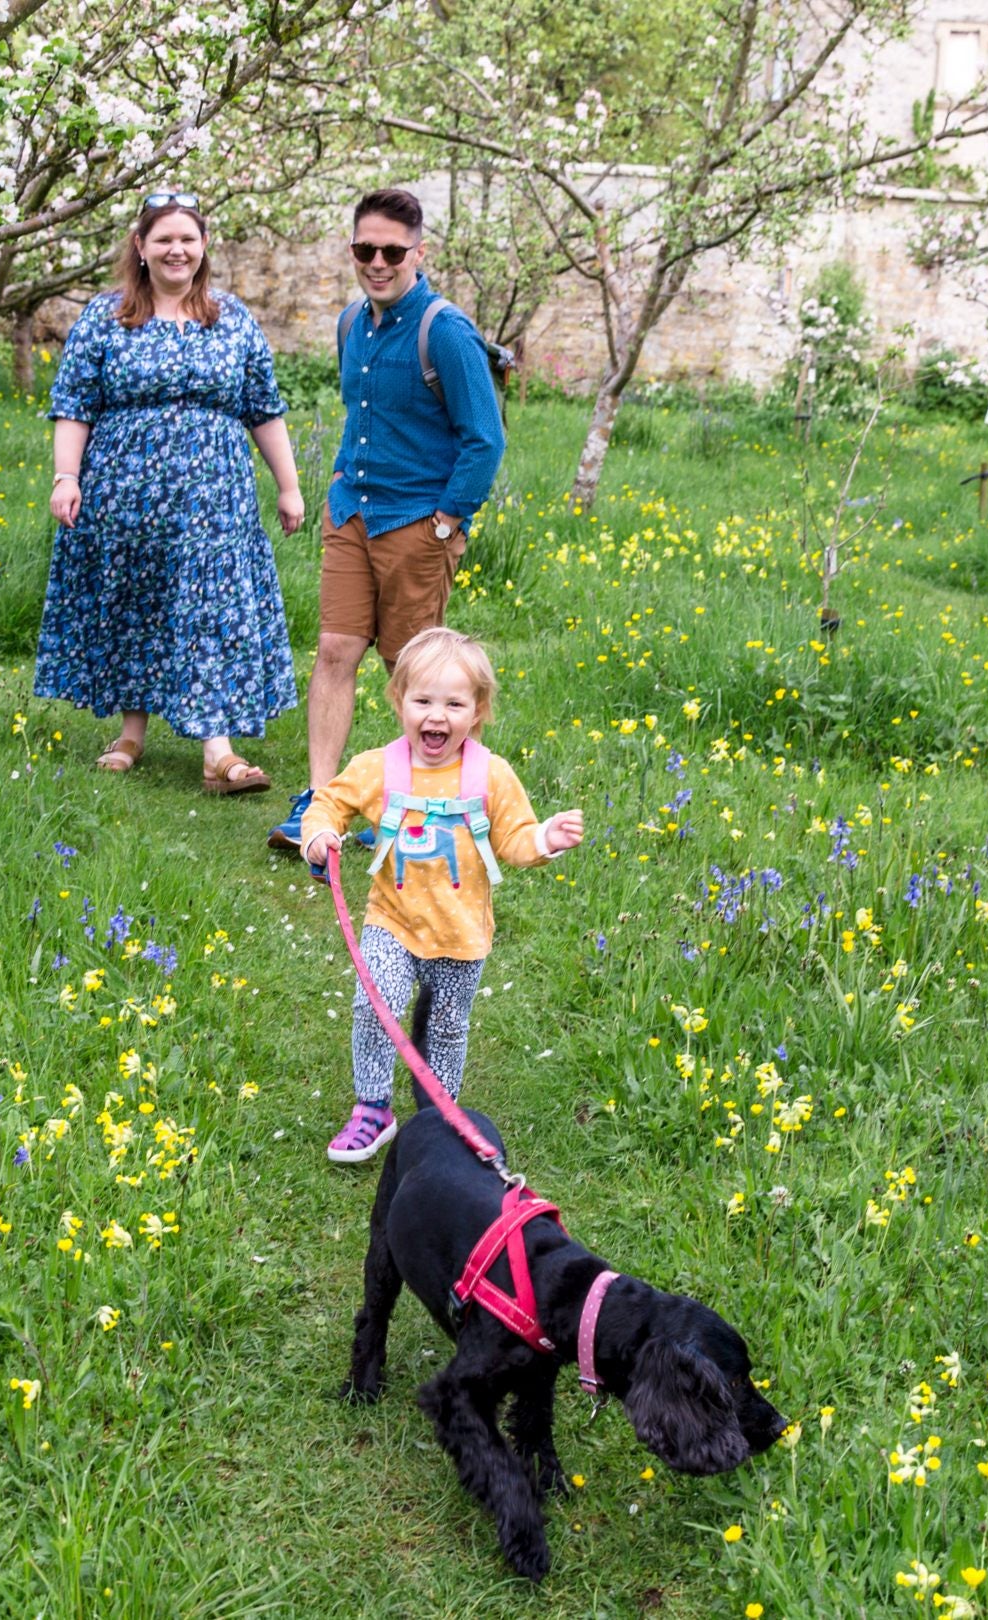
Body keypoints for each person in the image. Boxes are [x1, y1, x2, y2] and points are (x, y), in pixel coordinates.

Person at [268, 187, 507, 864]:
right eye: (364, 249)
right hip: (352, 514)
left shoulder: (446, 331)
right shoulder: (352, 324)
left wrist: (447, 521)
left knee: (416, 675)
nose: (377, 262)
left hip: (417, 523)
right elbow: (361, 417)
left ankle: (421, 806)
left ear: (418, 253)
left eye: (392, 251)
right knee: (335, 653)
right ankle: (324, 803)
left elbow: (483, 440)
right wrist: (339, 484)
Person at [39, 192, 306, 794]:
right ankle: (131, 734)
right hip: (125, 494)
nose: (176, 249)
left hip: (216, 499)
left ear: (203, 246)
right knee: (139, 603)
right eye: (163, 239)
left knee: (208, 607)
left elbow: (262, 408)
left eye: (187, 238)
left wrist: (288, 487)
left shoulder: (231, 317)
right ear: (140, 247)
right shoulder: (105, 318)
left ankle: (218, 751)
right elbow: (74, 405)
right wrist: (67, 476)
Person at [300, 628, 583, 1164]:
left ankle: (439, 1115)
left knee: (448, 1027)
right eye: (423, 701)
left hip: (461, 932)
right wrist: (319, 833)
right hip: (393, 920)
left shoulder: (490, 776)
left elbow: (516, 839)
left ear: (477, 711)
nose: (437, 715)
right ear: (399, 701)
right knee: (373, 1006)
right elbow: (329, 802)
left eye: (454, 703)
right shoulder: (378, 768)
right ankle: (373, 1109)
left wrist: (545, 838)